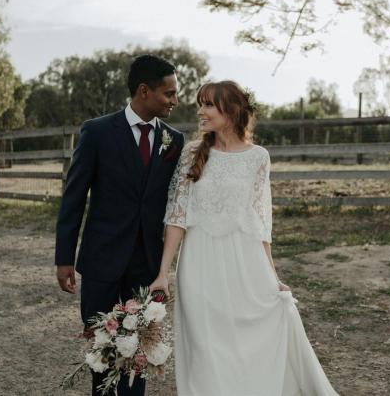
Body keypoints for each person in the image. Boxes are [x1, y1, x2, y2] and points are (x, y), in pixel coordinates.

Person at [150, 81, 339, 396]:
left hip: (245, 262)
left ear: (232, 110)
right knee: (206, 348)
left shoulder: (259, 157)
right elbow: (177, 217)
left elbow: (260, 223)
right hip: (200, 262)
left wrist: (273, 276)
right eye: (201, 103)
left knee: (247, 343)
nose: (200, 111)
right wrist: (162, 273)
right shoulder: (191, 154)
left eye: (209, 104)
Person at [55, 54, 185, 396]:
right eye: (169, 93)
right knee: (102, 348)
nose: (175, 100)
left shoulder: (175, 141)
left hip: (145, 263)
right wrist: (64, 257)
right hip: (101, 259)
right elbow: (73, 197)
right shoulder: (97, 132)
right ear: (144, 91)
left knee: (138, 349)